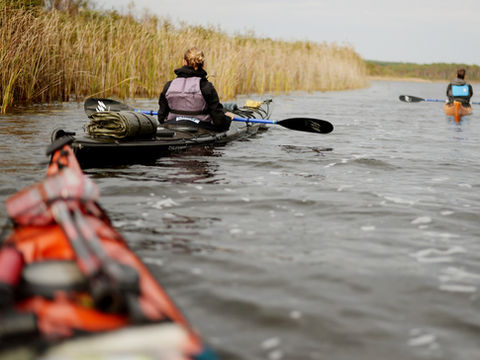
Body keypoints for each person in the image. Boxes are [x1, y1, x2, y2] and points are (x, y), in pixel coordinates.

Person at [158, 47, 235, 132]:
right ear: (203, 64)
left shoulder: (169, 86)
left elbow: (161, 117)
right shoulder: (206, 87)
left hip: (172, 125)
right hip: (202, 128)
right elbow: (219, 122)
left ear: (184, 62)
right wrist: (227, 118)